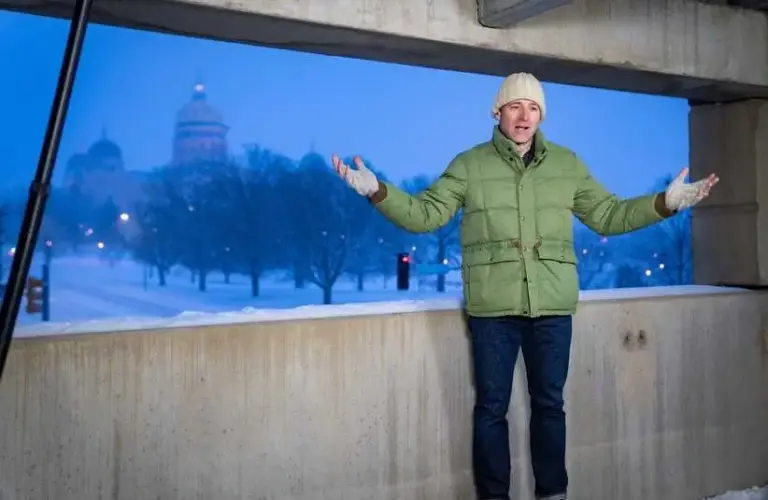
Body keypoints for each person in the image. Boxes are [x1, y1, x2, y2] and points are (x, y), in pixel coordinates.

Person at [330, 72, 718, 500]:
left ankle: (553, 494)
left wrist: (665, 204)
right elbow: (426, 215)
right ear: (498, 112)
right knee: (491, 410)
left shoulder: (566, 164)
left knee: (550, 407)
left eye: (533, 107)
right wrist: (377, 191)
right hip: (493, 309)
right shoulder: (469, 164)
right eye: (515, 106)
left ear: (541, 115)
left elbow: (608, 215)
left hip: (551, 306)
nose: (524, 115)